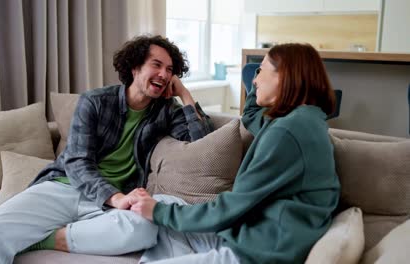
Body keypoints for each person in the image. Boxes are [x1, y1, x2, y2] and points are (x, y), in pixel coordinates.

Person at [0, 35, 214, 264]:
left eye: (170, 70)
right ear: (135, 67)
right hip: (66, 188)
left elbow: (202, 140)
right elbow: (77, 163)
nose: (164, 74)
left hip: (110, 205)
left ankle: (45, 238)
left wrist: (185, 95)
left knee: (148, 227)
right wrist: (117, 198)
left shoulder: (166, 110)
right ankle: (32, 230)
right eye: (156, 65)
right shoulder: (95, 101)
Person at [130, 43, 341, 264]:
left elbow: (231, 206)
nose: (256, 80)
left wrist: (160, 212)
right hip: (257, 237)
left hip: (258, 252)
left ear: (284, 75)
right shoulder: (303, 120)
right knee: (164, 212)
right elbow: (250, 114)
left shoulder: (287, 132)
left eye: (261, 71)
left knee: (161, 212)